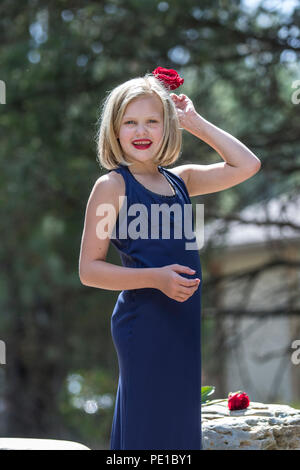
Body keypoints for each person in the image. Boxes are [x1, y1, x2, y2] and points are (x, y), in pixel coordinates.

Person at [78, 67, 261, 450]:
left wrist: (195, 122)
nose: (141, 131)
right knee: (147, 431)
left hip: (183, 318)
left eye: (152, 121)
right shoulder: (111, 186)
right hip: (142, 322)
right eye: (130, 122)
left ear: (168, 127)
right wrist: (156, 278)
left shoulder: (183, 180)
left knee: (178, 431)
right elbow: (89, 270)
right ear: (114, 130)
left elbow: (247, 165)